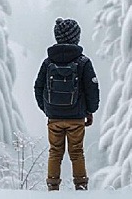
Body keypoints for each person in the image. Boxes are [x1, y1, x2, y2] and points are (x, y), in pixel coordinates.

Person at [34, 17, 100, 191]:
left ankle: (53, 187)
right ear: (76, 37)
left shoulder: (48, 62)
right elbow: (92, 87)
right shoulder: (83, 62)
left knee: (55, 152)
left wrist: (47, 108)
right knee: (77, 152)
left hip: (54, 117)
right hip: (77, 117)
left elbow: (38, 86)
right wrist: (90, 110)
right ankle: (81, 186)